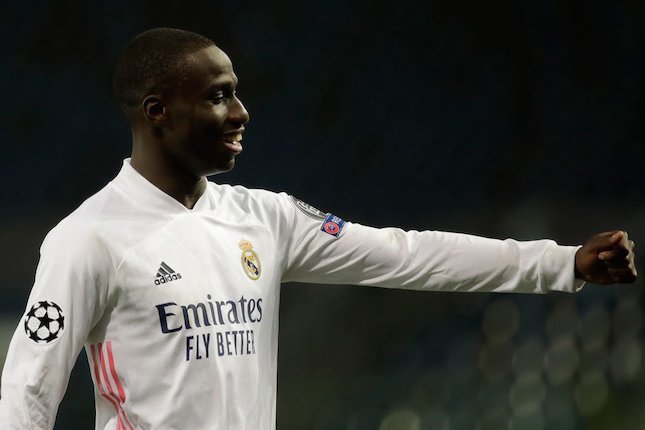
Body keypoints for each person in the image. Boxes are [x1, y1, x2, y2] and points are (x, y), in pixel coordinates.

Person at [0, 27, 637, 430]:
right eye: (218, 96)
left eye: (237, 92)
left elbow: (405, 255)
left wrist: (561, 263)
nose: (242, 112)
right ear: (158, 113)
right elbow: (28, 387)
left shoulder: (263, 217)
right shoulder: (89, 239)